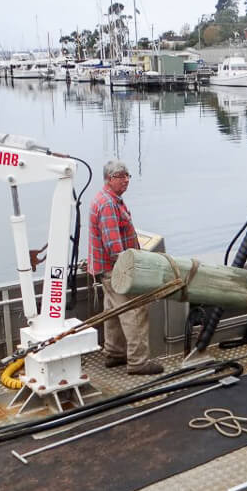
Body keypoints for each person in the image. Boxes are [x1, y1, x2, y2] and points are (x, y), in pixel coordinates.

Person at [88, 160, 164, 376]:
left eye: (127, 175)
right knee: (135, 311)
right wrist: (132, 272)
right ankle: (138, 362)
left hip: (105, 270)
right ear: (109, 179)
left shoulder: (107, 200)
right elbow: (114, 248)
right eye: (121, 176)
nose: (126, 180)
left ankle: (115, 353)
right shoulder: (109, 205)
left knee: (113, 311)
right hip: (117, 270)